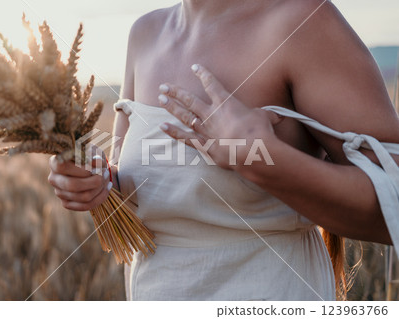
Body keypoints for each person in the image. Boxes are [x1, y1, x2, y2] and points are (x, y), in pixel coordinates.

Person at [48, 0, 399, 300]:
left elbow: (393, 204)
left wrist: (266, 163)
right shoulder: (145, 33)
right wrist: (97, 182)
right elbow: (148, 192)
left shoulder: (302, 20)